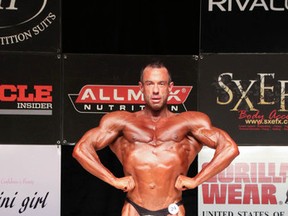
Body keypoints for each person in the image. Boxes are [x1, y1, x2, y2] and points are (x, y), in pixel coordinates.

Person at [72, 61, 240, 216]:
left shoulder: (189, 123)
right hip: (134, 208)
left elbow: (229, 148)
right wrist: (113, 180)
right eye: (149, 83)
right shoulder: (122, 122)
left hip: (172, 209)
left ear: (170, 87)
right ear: (141, 87)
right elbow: (81, 149)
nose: (155, 90)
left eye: (161, 83)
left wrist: (196, 180)